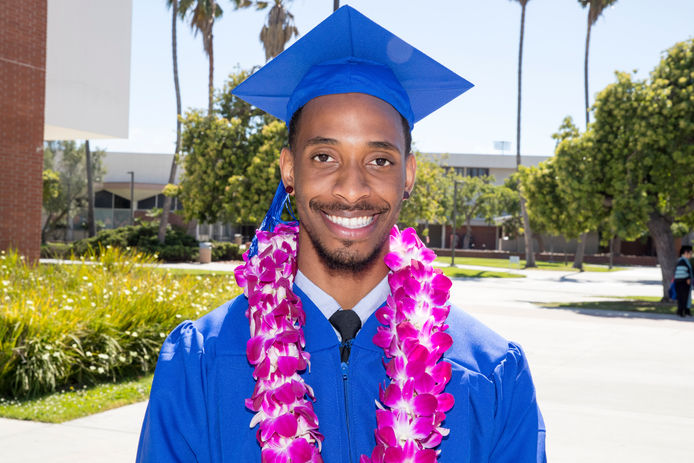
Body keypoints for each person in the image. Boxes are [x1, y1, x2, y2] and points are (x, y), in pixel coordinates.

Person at [137, 6, 546, 463]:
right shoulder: (200, 365)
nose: (352, 189)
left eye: (380, 160)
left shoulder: (489, 375)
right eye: (324, 157)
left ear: (408, 175)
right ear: (289, 170)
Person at [674, 245, 693, 317]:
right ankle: (681, 312)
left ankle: (686, 311)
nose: (691, 255)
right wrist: (687, 278)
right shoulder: (682, 261)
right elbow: (681, 272)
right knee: (682, 297)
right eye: (690, 253)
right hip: (682, 283)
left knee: (685, 297)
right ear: (686, 252)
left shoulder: (685, 261)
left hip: (683, 283)